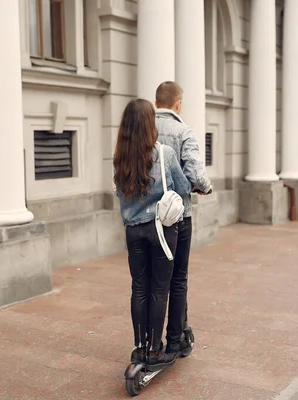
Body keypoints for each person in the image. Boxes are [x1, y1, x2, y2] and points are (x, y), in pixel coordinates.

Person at [114, 98, 192, 370]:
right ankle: (156, 350)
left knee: (139, 288)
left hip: (133, 231)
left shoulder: (120, 158)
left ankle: (140, 347)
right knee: (160, 290)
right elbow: (182, 187)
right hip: (161, 231)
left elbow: (120, 194)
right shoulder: (164, 153)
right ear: (150, 124)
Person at [154, 81, 213, 358]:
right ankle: (175, 339)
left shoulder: (142, 128)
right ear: (178, 103)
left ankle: (151, 343)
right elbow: (195, 174)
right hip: (177, 216)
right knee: (178, 278)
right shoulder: (184, 131)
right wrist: (205, 186)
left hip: (146, 216)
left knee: (152, 281)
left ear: (156, 102)